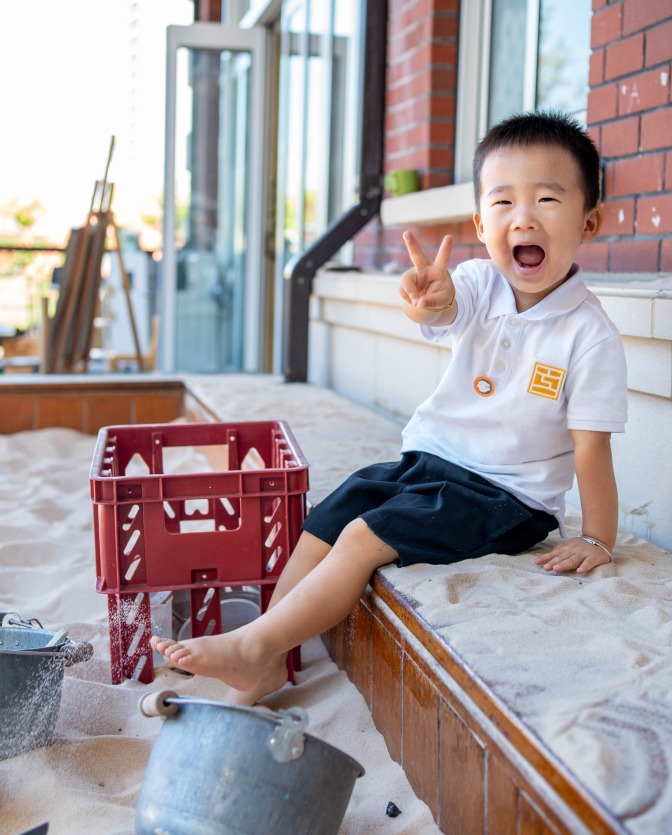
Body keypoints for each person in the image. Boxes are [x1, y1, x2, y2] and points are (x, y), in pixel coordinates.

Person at [152, 111, 627, 704]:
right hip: (431, 464)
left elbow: (593, 448)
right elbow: (444, 307)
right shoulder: (479, 282)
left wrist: (599, 539)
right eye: (503, 203)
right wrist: (427, 299)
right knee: (333, 513)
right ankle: (266, 652)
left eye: (548, 199)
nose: (523, 217)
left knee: (362, 537)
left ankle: (251, 648)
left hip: (507, 498)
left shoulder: (590, 334)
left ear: (589, 221)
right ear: (482, 224)